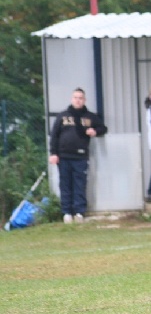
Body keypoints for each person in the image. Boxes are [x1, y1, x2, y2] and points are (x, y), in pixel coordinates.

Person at [48, 88, 108, 223]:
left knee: (79, 184)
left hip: (80, 157)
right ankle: (67, 213)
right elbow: (54, 135)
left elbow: (103, 128)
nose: (78, 100)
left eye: (80, 98)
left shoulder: (89, 117)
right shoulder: (62, 116)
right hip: (63, 156)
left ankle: (79, 212)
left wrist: (95, 131)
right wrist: (53, 153)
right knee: (65, 184)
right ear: (71, 99)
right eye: (75, 97)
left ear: (84, 100)